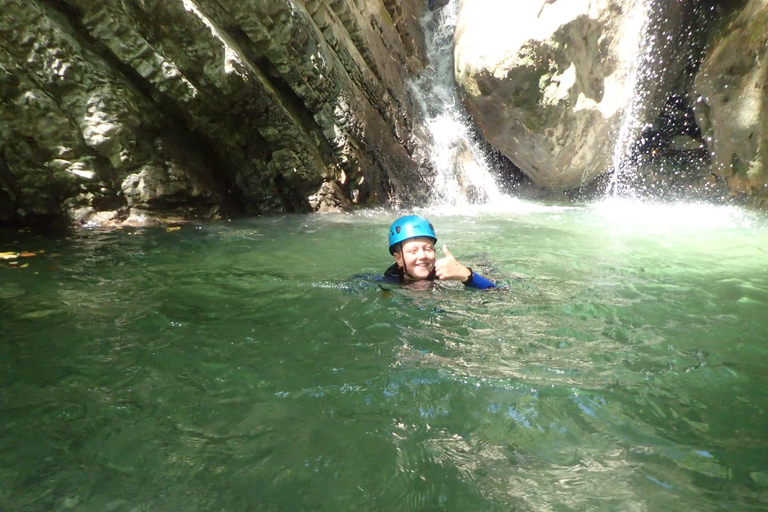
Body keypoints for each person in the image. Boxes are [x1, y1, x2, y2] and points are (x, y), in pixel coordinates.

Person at [384, 215, 496, 289]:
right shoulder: (389, 280)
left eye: (427, 249)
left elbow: (500, 293)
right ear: (398, 259)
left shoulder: (446, 275)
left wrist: (467, 275)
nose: (422, 256)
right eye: (413, 251)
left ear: (434, 252)